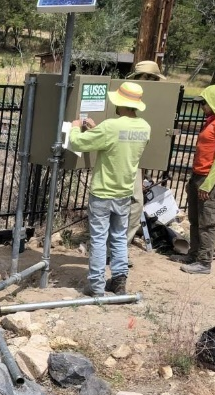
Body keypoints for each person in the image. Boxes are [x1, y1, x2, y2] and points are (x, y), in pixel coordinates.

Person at [69, 82, 151, 297]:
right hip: (124, 193)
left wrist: (75, 126)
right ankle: (119, 281)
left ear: (120, 103)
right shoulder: (144, 127)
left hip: (103, 192)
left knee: (98, 239)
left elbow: (78, 143)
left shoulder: (111, 126)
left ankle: (96, 286)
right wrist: (97, 131)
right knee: (118, 237)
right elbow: (120, 145)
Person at [175, 84, 215, 274]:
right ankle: (194, 255)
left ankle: (204, 262)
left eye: (204, 103)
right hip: (198, 175)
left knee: (207, 222)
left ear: (214, 101)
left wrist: (208, 183)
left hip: (209, 179)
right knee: (195, 219)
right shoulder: (213, 120)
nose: (201, 106)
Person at [125, 61, 166, 246]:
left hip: (136, 162)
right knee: (123, 206)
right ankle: (115, 250)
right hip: (122, 160)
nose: (152, 82)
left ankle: (120, 248)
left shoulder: (153, 100)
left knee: (135, 206)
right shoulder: (125, 95)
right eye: (150, 78)